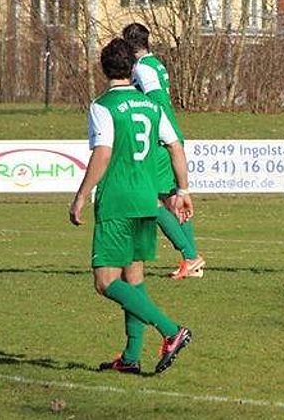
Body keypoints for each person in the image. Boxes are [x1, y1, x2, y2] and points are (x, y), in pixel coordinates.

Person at [69, 38, 192, 375]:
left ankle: (171, 330)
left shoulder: (103, 105)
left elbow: (103, 152)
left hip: (118, 201)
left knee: (106, 282)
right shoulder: (151, 106)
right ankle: (131, 356)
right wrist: (182, 189)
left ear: (103, 67)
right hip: (146, 200)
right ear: (132, 69)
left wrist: (81, 195)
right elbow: (176, 146)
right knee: (133, 277)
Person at [123, 22, 205, 280]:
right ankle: (192, 262)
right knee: (172, 199)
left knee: (151, 199)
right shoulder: (154, 63)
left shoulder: (143, 68)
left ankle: (190, 256)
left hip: (159, 139)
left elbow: (157, 101)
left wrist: (155, 131)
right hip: (167, 134)